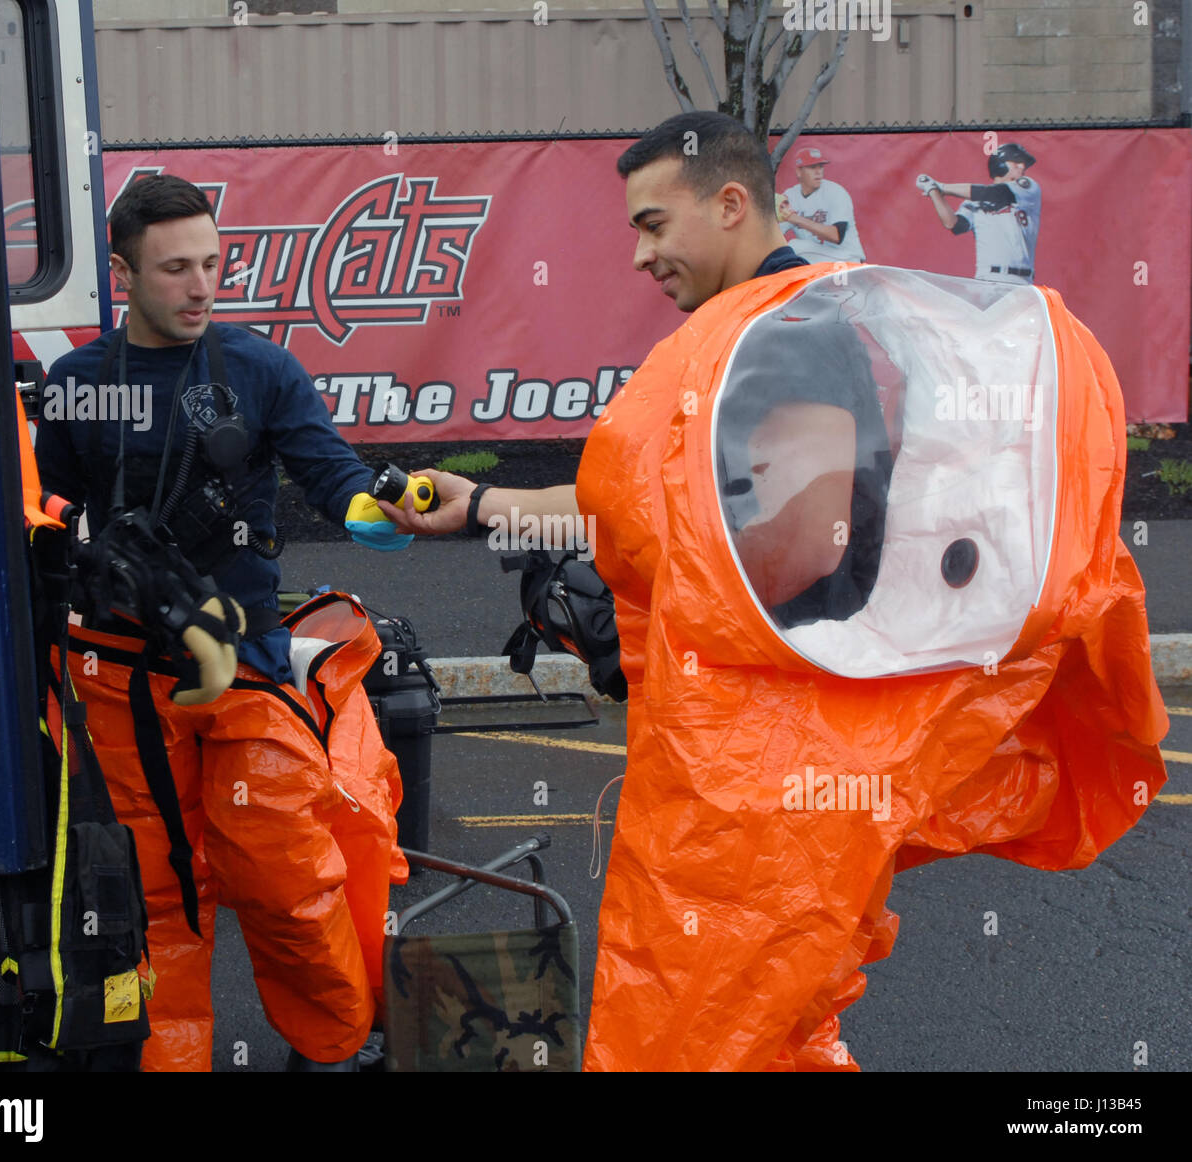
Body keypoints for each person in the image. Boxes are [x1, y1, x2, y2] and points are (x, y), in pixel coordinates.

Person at [384, 112, 1167, 1071]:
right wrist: (483, 509)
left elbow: (796, 544)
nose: (639, 254)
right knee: (768, 1032)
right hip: (753, 762)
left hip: (760, 783)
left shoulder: (788, 340)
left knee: (704, 1039)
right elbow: (655, 503)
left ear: (729, 202)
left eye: (654, 224)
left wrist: (631, 578)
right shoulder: (750, 337)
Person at [36, 174, 407, 1072]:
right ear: (123, 272)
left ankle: (335, 1046)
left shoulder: (262, 369)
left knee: (287, 877)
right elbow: (45, 519)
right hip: (119, 680)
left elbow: (336, 481)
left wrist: (386, 511)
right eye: (175, 269)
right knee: (155, 900)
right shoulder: (74, 385)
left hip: (245, 668)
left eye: (211, 263)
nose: (202, 286)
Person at [917, 142, 1041, 284]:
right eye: (1017, 162)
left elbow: (993, 193)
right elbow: (954, 224)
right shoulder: (975, 201)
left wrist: (943, 187)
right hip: (988, 278)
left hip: (1022, 280)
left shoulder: (1028, 187)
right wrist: (933, 190)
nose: (1022, 167)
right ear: (1001, 165)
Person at [778, 143, 865, 264]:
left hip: (846, 257)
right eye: (812, 167)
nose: (818, 172)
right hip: (818, 257)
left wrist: (796, 219)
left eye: (821, 166)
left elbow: (836, 236)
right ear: (798, 171)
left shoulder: (835, 192)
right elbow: (776, 233)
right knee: (783, 251)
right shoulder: (790, 196)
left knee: (795, 246)